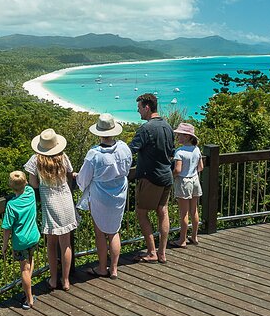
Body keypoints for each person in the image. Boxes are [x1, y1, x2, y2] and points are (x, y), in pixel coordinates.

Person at [75, 113, 132, 280]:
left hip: (100, 195)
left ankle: (101, 267)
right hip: (119, 192)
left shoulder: (94, 154)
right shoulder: (124, 148)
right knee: (114, 231)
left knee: (100, 232)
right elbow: (127, 169)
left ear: (99, 132)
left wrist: (77, 178)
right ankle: (114, 269)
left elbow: (84, 179)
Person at [24, 128, 78, 291]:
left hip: (50, 202)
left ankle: (54, 279)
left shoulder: (36, 161)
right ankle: (66, 280)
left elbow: (33, 184)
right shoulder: (63, 157)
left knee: (52, 245)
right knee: (66, 243)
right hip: (66, 200)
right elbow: (70, 175)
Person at [129, 93, 174, 263]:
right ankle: (162, 252)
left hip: (150, 178)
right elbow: (171, 152)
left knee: (141, 213)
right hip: (166, 176)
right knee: (163, 211)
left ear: (147, 107)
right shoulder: (168, 127)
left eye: (139, 108)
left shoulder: (146, 129)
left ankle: (151, 251)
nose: (138, 111)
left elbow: (130, 150)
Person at [1, 171, 41, 310]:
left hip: (20, 241)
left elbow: (7, 228)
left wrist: (4, 246)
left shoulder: (11, 205)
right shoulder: (30, 192)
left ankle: (29, 299)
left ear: (11, 187)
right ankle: (28, 288)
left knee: (24, 269)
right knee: (31, 260)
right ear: (25, 183)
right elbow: (29, 184)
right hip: (34, 236)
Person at [169, 123, 203, 248]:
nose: (178, 137)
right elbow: (201, 167)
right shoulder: (196, 149)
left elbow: (177, 170)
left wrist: (171, 176)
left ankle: (182, 240)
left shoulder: (180, 152)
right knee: (194, 210)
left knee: (184, 213)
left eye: (180, 135)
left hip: (184, 182)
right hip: (195, 180)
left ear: (188, 137)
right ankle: (194, 236)